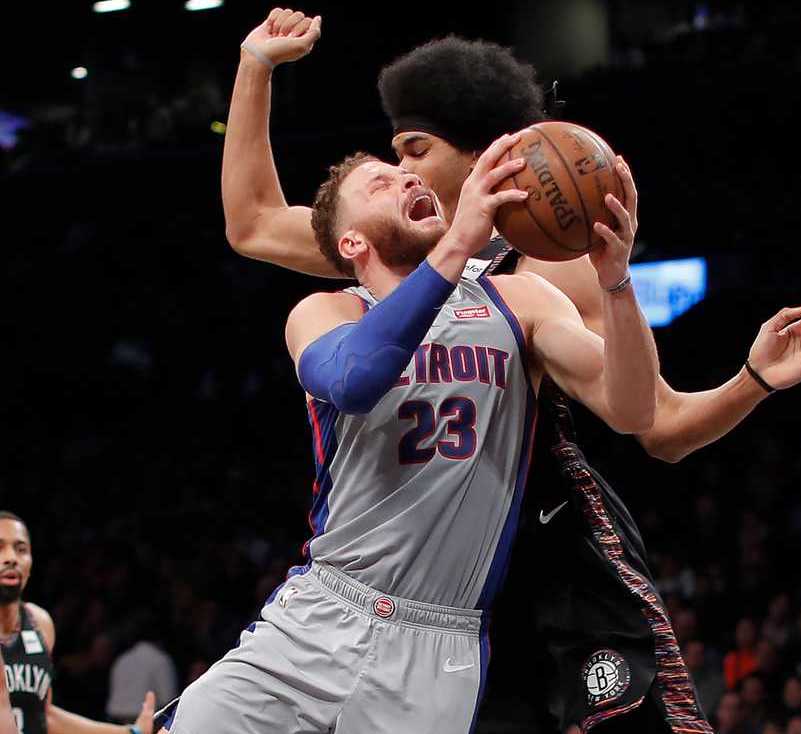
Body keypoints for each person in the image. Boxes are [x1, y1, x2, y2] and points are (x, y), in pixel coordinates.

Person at [214, 10, 801, 733]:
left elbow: (659, 424)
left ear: (488, 155)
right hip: (436, 586)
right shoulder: (389, 245)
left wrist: (749, 381)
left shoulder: (544, 270)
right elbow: (252, 221)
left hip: (551, 550)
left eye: (416, 149)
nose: (401, 170)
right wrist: (255, 65)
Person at [164, 118, 662, 732]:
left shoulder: (520, 300)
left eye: (407, 175)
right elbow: (354, 379)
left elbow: (634, 409)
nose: (407, 180)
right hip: (324, 610)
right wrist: (459, 245)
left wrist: (616, 280)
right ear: (351, 243)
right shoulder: (328, 312)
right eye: (380, 183)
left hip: (439, 645)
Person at [0, 512, 156, 734]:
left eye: (21, 549)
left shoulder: (39, 623)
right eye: (0, 548)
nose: (11, 558)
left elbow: (44, 715)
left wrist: (130, 732)